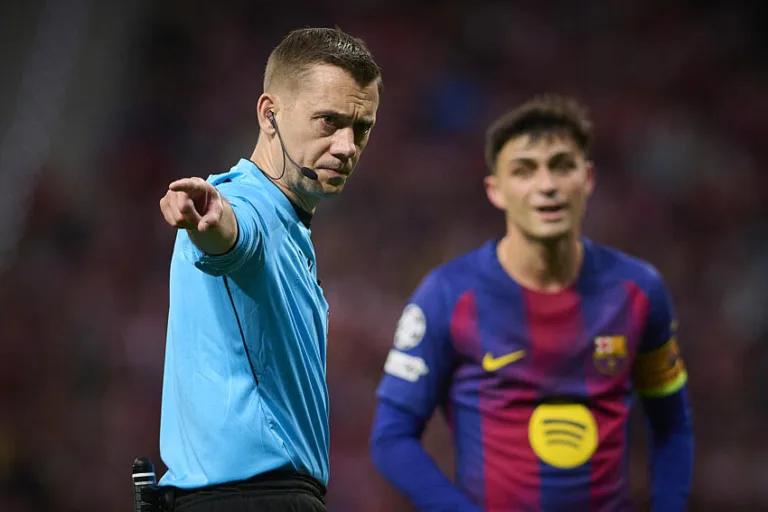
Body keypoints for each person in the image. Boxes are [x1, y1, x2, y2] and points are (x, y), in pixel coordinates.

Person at [370, 95, 693, 511]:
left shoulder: (639, 291)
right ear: (496, 190)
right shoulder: (447, 295)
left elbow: (672, 425)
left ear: (588, 178)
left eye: (562, 166)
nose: (547, 185)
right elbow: (391, 438)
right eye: (524, 170)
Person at [156, 27, 381, 512]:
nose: (347, 145)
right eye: (329, 121)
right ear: (269, 114)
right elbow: (235, 235)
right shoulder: (247, 201)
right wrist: (211, 219)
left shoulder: (292, 225)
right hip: (250, 500)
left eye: (361, 128)